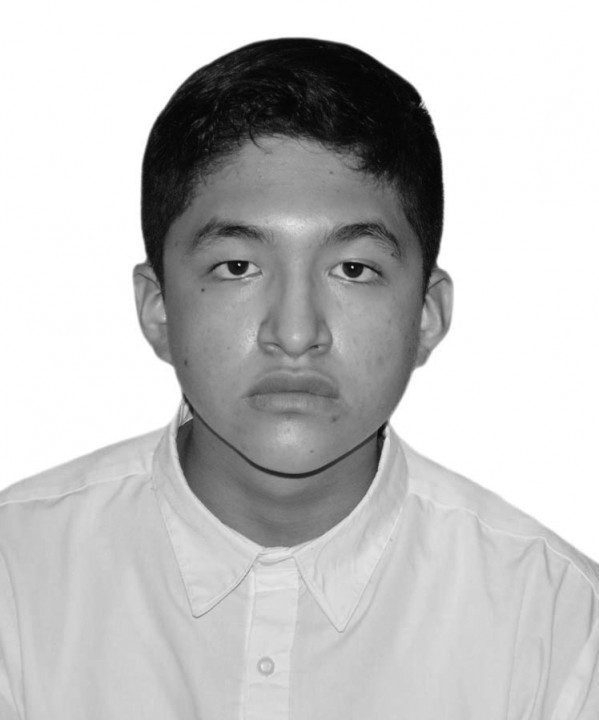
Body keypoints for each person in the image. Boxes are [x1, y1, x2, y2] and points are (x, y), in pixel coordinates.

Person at [0, 37, 597, 720]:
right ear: (158, 308)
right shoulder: (17, 578)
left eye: (353, 269)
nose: (293, 332)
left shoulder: (557, 624)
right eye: (237, 267)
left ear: (426, 314)